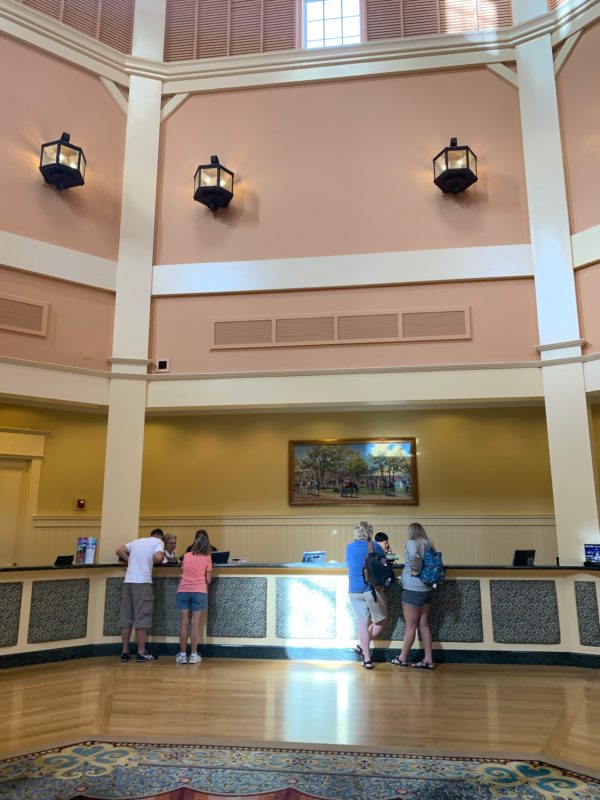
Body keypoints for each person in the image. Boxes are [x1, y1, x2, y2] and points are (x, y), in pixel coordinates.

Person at [115, 529, 165, 662]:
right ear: (160, 537)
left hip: (128, 581)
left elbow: (119, 550)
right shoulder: (159, 542)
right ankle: (141, 652)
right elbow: (159, 558)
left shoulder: (136, 542)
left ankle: (124, 651)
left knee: (126, 616)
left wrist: (131, 560)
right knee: (142, 615)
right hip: (142, 582)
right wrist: (155, 558)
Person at [391, 522, 435, 670]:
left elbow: (415, 557)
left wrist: (415, 570)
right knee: (424, 624)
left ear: (411, 532)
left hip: (413, 589)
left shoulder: (411, 543)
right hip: (427, 588)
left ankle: (402, 658)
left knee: (410, 626)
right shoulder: (428, 543)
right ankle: (428, 659)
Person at [346, 520, 387, 669]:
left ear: (356, 532)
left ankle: (367, 659)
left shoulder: (349, 547)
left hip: (354, 590)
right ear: (370, 533)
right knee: (381, 621)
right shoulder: (375, 546)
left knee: (362, 624)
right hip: (371, 589)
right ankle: (363, 646)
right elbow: (384, 565)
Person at [176, 530, 213, 664]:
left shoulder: (186, 555)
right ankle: (193, 655)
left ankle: (182, 655)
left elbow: (183, 570)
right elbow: (208, 579)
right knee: (195, 624)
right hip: (199, 591)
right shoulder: (207, 557)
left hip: (183, 590)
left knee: (184, 623)